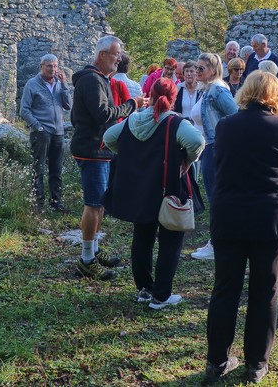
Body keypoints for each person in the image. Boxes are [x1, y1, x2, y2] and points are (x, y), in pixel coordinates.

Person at [203, 71, 278, 384]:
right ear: (276, 95)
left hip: (229, 216)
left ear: (245, 92)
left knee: (225, 289)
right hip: (269, 218)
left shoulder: (225, 125)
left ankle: (216, 361)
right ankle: (256, 363)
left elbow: (220, 165)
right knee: (265, 291)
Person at [103, 78, 205, 309]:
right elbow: (197, 142)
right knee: (170, 240)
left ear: (150, 94)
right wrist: (186, 160)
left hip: (140, 188)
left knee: (142, 236)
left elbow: (108, 137)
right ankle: (161, 295)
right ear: (173, 98)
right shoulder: (174, 122)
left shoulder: (133, 120)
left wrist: (129, 155)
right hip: (168, 186)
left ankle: (144, 289)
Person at [71, 36, 147, 280]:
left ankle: (93, 249)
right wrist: (132, 104)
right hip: (92, 151)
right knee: (93, 204)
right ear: (102, 54)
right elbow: (103, 115)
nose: (119, 58)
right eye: (116, 54)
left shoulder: (99, 79)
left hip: (100, 150)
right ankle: (86, 260)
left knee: (100, 203)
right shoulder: (91, 80)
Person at [190, 53, 238, 261]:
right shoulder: (206, 90)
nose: (197, 71)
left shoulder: (217, 90)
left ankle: (218, 244)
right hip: (209, 148)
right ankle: (219, 240)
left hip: (216, 149)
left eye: (201, 68)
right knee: (215, 197)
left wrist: (223, 140)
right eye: (196, 68)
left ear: (213, 70)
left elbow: (235, 115)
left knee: (216, 198)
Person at [19, 54, 72, 213]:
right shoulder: (32, 84)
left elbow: (68, 105)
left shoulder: (59, 83)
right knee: (39, 168)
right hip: (41, 132)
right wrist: (37, 126)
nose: (53, 69)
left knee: (56, 169)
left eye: (55, 66)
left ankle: (56, 203)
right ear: (41, 66)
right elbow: (24, 110)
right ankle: (38, 204)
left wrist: (64, 84)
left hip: (58, 132)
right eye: (49, 66)